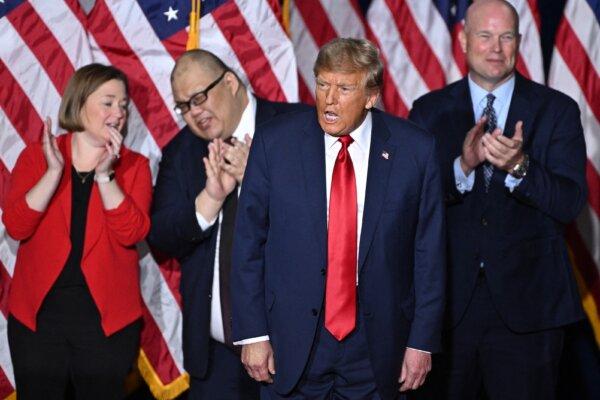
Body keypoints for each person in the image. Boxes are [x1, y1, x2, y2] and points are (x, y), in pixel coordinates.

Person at [231, 38, 446, 400]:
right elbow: (248, 242)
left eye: (344, 88)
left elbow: (430, 254)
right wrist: (253, 334)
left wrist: (421, 341)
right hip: (291, 341)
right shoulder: (276, 143)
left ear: (371, 96)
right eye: (322, 84)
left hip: (378, 344)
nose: (329, 99)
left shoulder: (415, 151)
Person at [408, 1, 587, 399]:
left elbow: (570, 203)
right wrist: (462, 167)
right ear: (463, 39)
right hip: (448, 311)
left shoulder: (556, 110)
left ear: (519, 42)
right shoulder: (428, 112)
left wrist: (521, 167)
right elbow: (408, 206)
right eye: (485, 36)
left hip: (531, 312)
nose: (495, 47)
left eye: (506, 37)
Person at [147, 49, 307, 399]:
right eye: (184, 106)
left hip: (290, 348)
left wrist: (264, 182)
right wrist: (210, 199)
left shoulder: (298, 128)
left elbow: (332, 221)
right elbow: (160, 236)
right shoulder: (182, 151)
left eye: (200, 97)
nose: (195, 112)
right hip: (216, 360)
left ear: (231, 82)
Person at [3, 64, 152, 399]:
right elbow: (16, 225)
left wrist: (105, 177)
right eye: (108, 102)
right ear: (79, 102)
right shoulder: (37, 156)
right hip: (39, 321)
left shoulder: (134, 166)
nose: (118, 113)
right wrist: (53, 172)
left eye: (123, 105)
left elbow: (132, 233)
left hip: (106, 322)